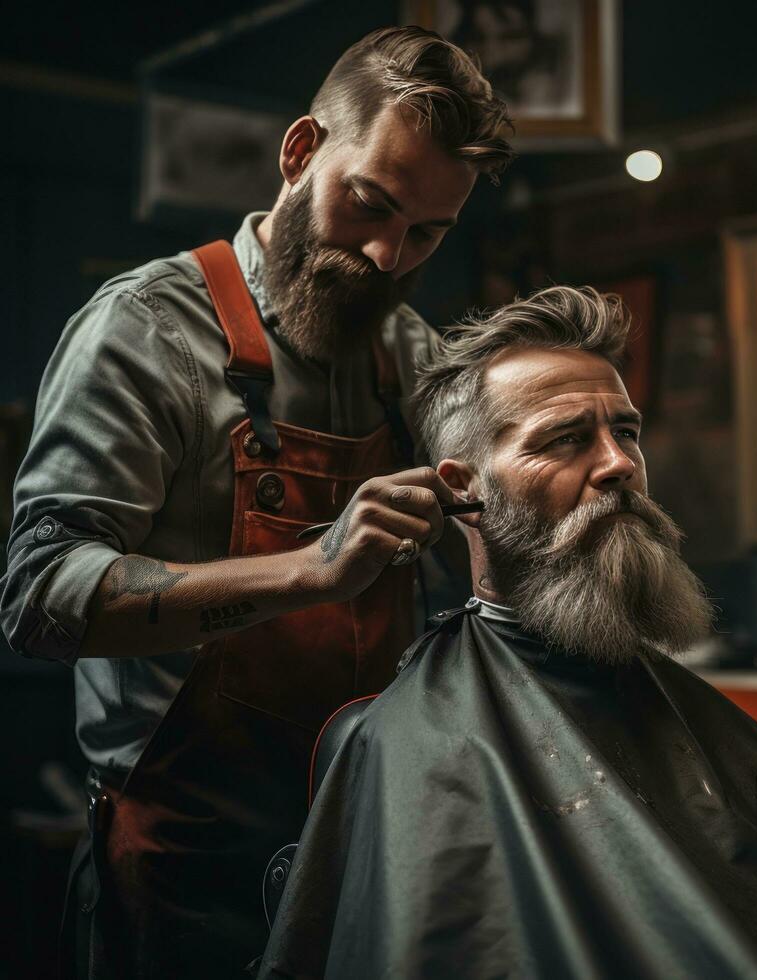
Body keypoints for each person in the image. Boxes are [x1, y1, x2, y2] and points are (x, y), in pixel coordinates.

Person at [259, 286, 757, 980]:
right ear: (462, 486)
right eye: (567, 439)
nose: (619, 466)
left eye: (625, 432)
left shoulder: (658, 692)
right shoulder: (418, 743)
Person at [0, 26, 512, 979]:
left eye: (428, 233)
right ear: (300, 151)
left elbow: (485, 567)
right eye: (370, 203)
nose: (388, 255)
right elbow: (37, 598)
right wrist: (309, 570)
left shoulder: (411, 360)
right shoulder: (145, 331)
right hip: (184, 870)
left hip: (365, 850)